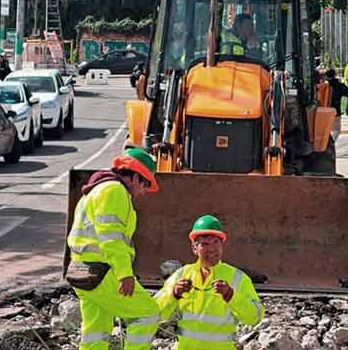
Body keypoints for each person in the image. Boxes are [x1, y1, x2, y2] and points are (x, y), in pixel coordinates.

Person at [66, 148, 161, 350]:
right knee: (148, 314)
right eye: (145, 183)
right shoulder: (115, 191)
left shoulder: (95, 190)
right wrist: (124, 274)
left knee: (96, 332)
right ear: (135, 176)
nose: (144, 191)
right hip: (103, 272)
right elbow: (111, 238)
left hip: (80, 272)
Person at [155, 214, 265, 350]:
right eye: (205, 244)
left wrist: (231, 296)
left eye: (216, 242)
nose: (212, 249)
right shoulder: (181, 275)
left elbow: (255, 317)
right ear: (194, 248)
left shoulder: (236, 277)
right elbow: (154, 313)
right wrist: (173, 294)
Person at [323, 68, 348, 142]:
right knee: (336, 129)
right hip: (335, 111)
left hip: (322, 111)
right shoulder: (339, 85)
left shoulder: (322, 84)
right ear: (335, 75)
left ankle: (326, 141)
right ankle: (331, 142)